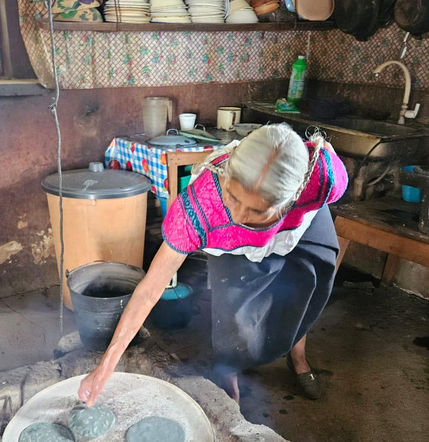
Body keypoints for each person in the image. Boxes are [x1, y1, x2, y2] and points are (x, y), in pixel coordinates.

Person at [79, 123, 348, 406]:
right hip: (231, 242)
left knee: (304, 290)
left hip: (298, 228)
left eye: (256, 210)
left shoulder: (323, 178)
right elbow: (149, 290)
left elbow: (325, 153)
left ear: (291, 198)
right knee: (234, 315)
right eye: (233, 197)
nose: (239, 214)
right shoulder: (201, 207)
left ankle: (298, 357)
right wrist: (105, 367)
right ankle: (230, 368)